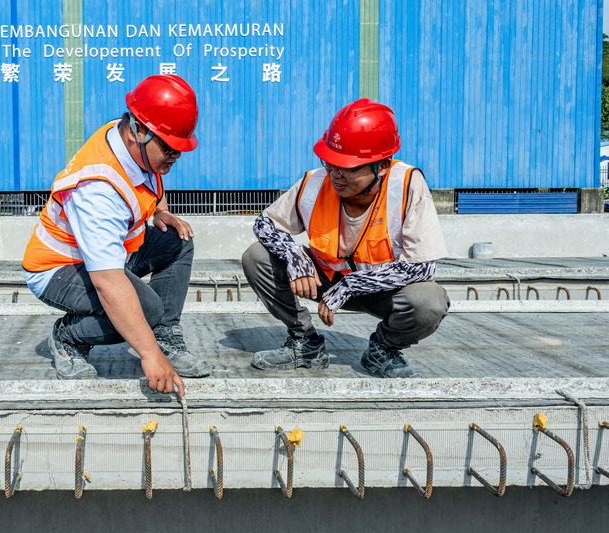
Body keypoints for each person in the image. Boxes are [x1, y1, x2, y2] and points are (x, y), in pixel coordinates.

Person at [22, 75, 212, 394]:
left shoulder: (129, 136)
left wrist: (160, 211)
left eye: (180, 149)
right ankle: (68, 337)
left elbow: (150, 175)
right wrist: (150, 355)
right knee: (146, 310)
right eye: (169, 148)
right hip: (58, 267)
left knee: (177, 243)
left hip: (110, 252)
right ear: (139, 131)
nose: (174, 158)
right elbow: (108, 282)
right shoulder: (96, 190)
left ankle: (166, 335)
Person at [242, 98, 450, 378]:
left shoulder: (406, 185)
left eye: (349, 167)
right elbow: (266, 222)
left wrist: (351, 285)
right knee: (257, 256)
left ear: (383, 165)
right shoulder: (317, 181)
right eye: (330, 163)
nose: (335, 175)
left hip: (383, 292)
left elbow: (422, 267)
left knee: (429, 301)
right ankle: (305, 343)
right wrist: (296, 256)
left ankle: (383, 350)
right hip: (324, 282)